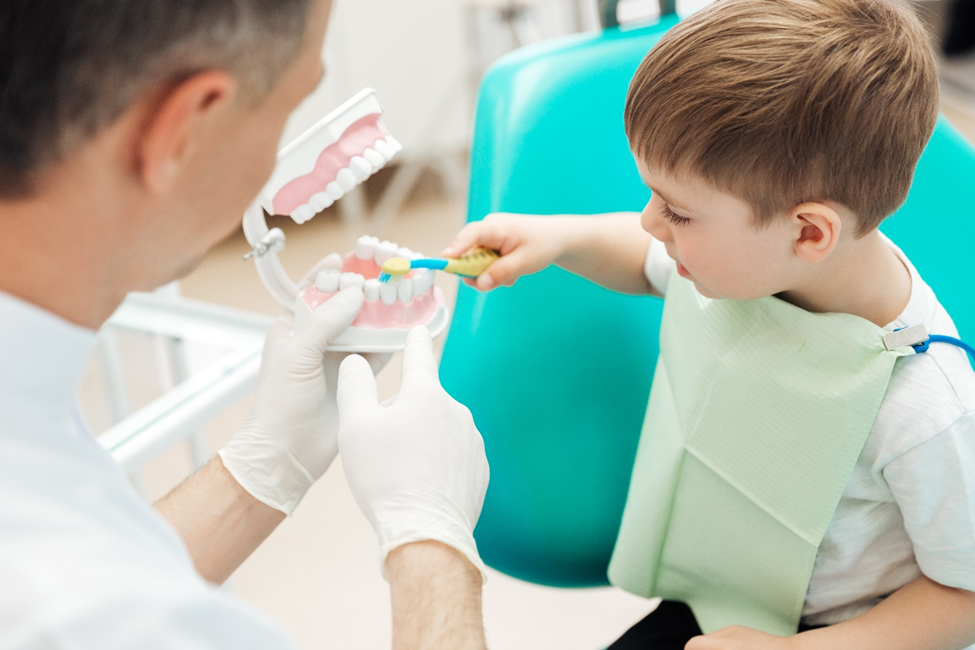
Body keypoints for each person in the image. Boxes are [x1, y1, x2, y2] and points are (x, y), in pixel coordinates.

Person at [443, 0, 975, 648]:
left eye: (677, 211)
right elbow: (644, 259)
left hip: (845, 631)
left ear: (808, 231)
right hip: (727, 589)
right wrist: (560, 238)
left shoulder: (923, 408)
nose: (648, 224)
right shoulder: (751, 264)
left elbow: (962, 595)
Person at [0, 1, 489, 648]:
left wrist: (262, 467)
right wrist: (431, 542)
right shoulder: (93, 614)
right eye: (288, 106)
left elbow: (97, 551)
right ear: (183, 129)